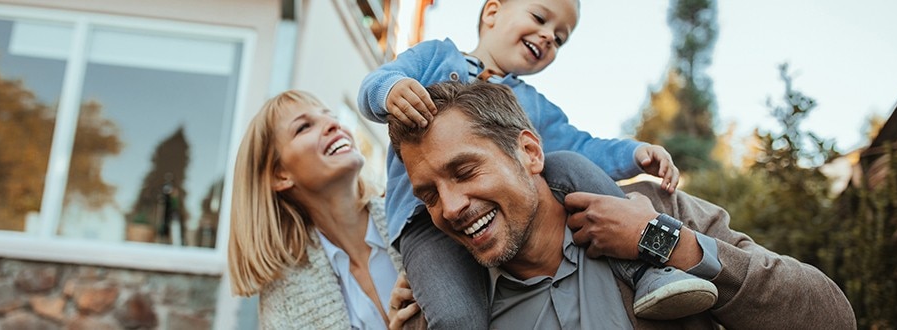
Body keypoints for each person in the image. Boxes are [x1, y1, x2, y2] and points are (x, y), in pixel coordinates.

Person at [388, 81, 856, 329]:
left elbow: (830, 319)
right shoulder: (450, 307)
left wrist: (666, 243)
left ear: (530, 152)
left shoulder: (653, 209)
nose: (449, 207)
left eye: (465, 172)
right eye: (428, 195)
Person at [358, 0, 708, 326]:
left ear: (530, 148)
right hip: (423, 224)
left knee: (568, 164)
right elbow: (374, 82)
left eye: (559, 39)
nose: (547, 37)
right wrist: (391, 90)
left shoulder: (533, 106)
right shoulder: (434, 57)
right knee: (454, 316)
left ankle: (644, 271)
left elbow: (581, 145)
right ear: (492, 13)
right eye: (540, 18)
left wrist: (632, 154)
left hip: (499, 217)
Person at [226, 90, 421, 329]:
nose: (333, 124)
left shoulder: (414, 216)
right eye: (304, 127)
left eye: (329, 115)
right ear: (280, 175)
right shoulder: (283, 302)